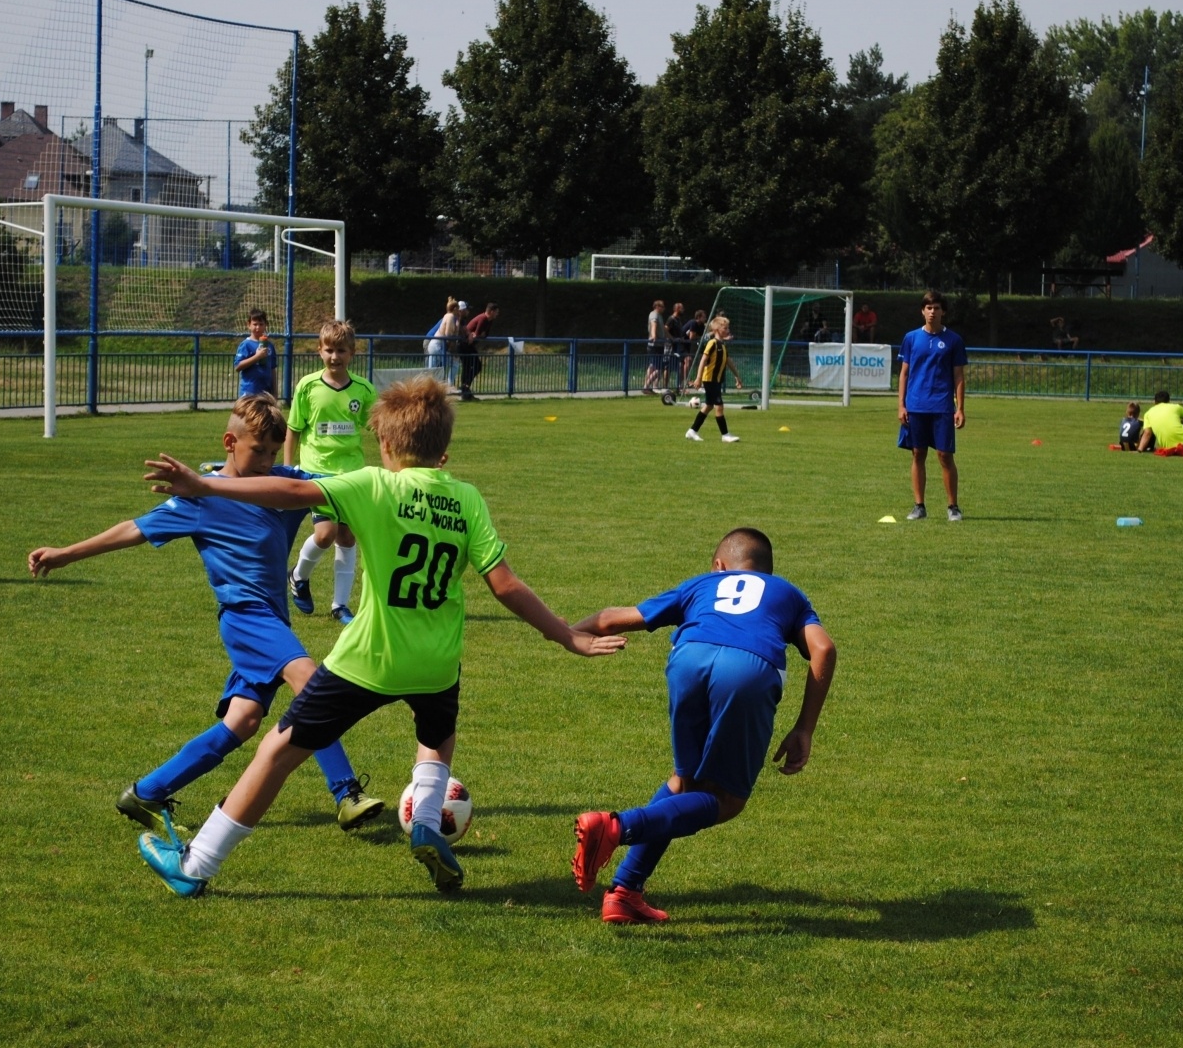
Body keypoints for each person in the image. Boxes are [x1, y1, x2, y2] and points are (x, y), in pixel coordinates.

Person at [135, 377, 627, 897]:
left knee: (276, 752)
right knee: (435, 739)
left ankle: (196, 866)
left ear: (387, 445)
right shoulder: (466, 499)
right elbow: (504, 584)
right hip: (437, 661)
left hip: (369, 659)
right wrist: (565, 637)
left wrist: (207, 485)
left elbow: (294, 490)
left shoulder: (374, 485)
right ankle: (425, 821)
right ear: (444, 451)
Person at [26, 395, 385, 836]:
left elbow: (342, 488)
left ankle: (147, 791)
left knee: (243, 721)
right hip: (245, 616)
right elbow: (134, 529)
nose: (268, 461)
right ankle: (346, 793)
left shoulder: (281, 482)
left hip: (272, 619)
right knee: (310, 682)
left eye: (274, 452)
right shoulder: (200, 497)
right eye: (259, 451)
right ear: (230, 442)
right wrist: (65, 553)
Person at [568, 527, 835, 924]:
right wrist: (804, 728)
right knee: (726, 800)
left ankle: (624, 891)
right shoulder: (788, 593)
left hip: (688, 658)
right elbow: (823, 648)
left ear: (719, 566)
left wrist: (564, 633)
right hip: (747, 668)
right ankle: (615, 826)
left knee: (684, 781)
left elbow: (610, 618)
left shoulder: (702, 585)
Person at [285, 320, 376, 626]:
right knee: (326, 534)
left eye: (341, 350)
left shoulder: (364, 390)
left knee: (348, 537)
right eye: (329, 350)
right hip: (317, 472)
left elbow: (378, 428)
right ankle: (298, 575)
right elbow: (294, 429)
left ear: (352, 353)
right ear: (319, 351)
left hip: (351, 474)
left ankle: (340, 605)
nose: (335, 356)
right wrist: (289, 468)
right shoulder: (308, 386)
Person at [897, 290, 967, 521]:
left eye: (936, 308)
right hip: (916, 406)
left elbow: (958, 376)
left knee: (945, 456)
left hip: (942, 407)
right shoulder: (911, 338)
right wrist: (901, 405)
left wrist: (960, 408)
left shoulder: (953, 340)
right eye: (928, 308)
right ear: (922, 311)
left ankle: (953, 507)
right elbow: (904, 373)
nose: (932, 312)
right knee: (918, 454)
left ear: (943, 311)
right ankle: (919, 506)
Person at [685, 315, 743, 443]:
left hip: (716, 380)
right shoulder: (712, 343)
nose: (728, 330)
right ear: (717, 329)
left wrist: (737, 376)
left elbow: (729, 362)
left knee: (709, 406)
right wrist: (698, 378)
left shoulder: (722, 345)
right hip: (709, 379)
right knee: (719, 406)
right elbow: (703, 360)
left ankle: (692, 431)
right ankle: (725, 435)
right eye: (725, 328)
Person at [233, 309, 277, 398]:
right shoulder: (246, 344)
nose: (258, 327)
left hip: (266, 392)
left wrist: (275, 392)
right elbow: (238, 367)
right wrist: (257, 357)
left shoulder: (269, 345)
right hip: (249, 392)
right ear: (249, 325)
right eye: (255, 324)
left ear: (266, 325)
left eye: (261, 324)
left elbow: (272, 370)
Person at [458, 301, 496, 401]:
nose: (497, 314)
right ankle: (465, 389)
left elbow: (484, 334)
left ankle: (465, 390)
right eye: (496, 312)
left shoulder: (489, 320)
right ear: (491, 311)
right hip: (465, 345)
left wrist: (479, 335)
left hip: (469, 345)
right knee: (474, 366)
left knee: (472, 367)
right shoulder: (483, 318)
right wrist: (478, 335)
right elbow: (478, 334)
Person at [424, 298, 459, 372]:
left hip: (434, 345)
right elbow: (447, 334)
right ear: (455, 309)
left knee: (432, 371)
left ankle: (429, 383)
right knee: (454, 363)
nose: (458, 311)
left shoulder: (446, 316)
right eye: (458, 309)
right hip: (437, 346)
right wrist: (454, 335)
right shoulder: (450, 317)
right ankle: (449, 383)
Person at [679, 309, 706, 387]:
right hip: (681, 344)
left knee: (685, 363)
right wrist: (694, 335)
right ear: (698, 317)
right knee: (688, 360)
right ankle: (686, 381)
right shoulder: (693, 323)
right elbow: (691, 337)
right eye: (703, 317)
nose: (705, 319)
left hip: (688, 345)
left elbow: (699, 336)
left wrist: (695, 335)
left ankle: (682, 383)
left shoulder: (702, 326)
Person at [643, 300, 666, 394]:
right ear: (657, 306)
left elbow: (664, 329)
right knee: (658, 368)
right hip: (655, 345)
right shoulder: (654, 315)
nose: (664, 308)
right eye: (662, 306)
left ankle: (647, 387)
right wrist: (653, 336)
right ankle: (646, 386)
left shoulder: (659, 316)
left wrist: (672, 338)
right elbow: (653, 325)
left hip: (659, 344)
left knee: (652, 366)